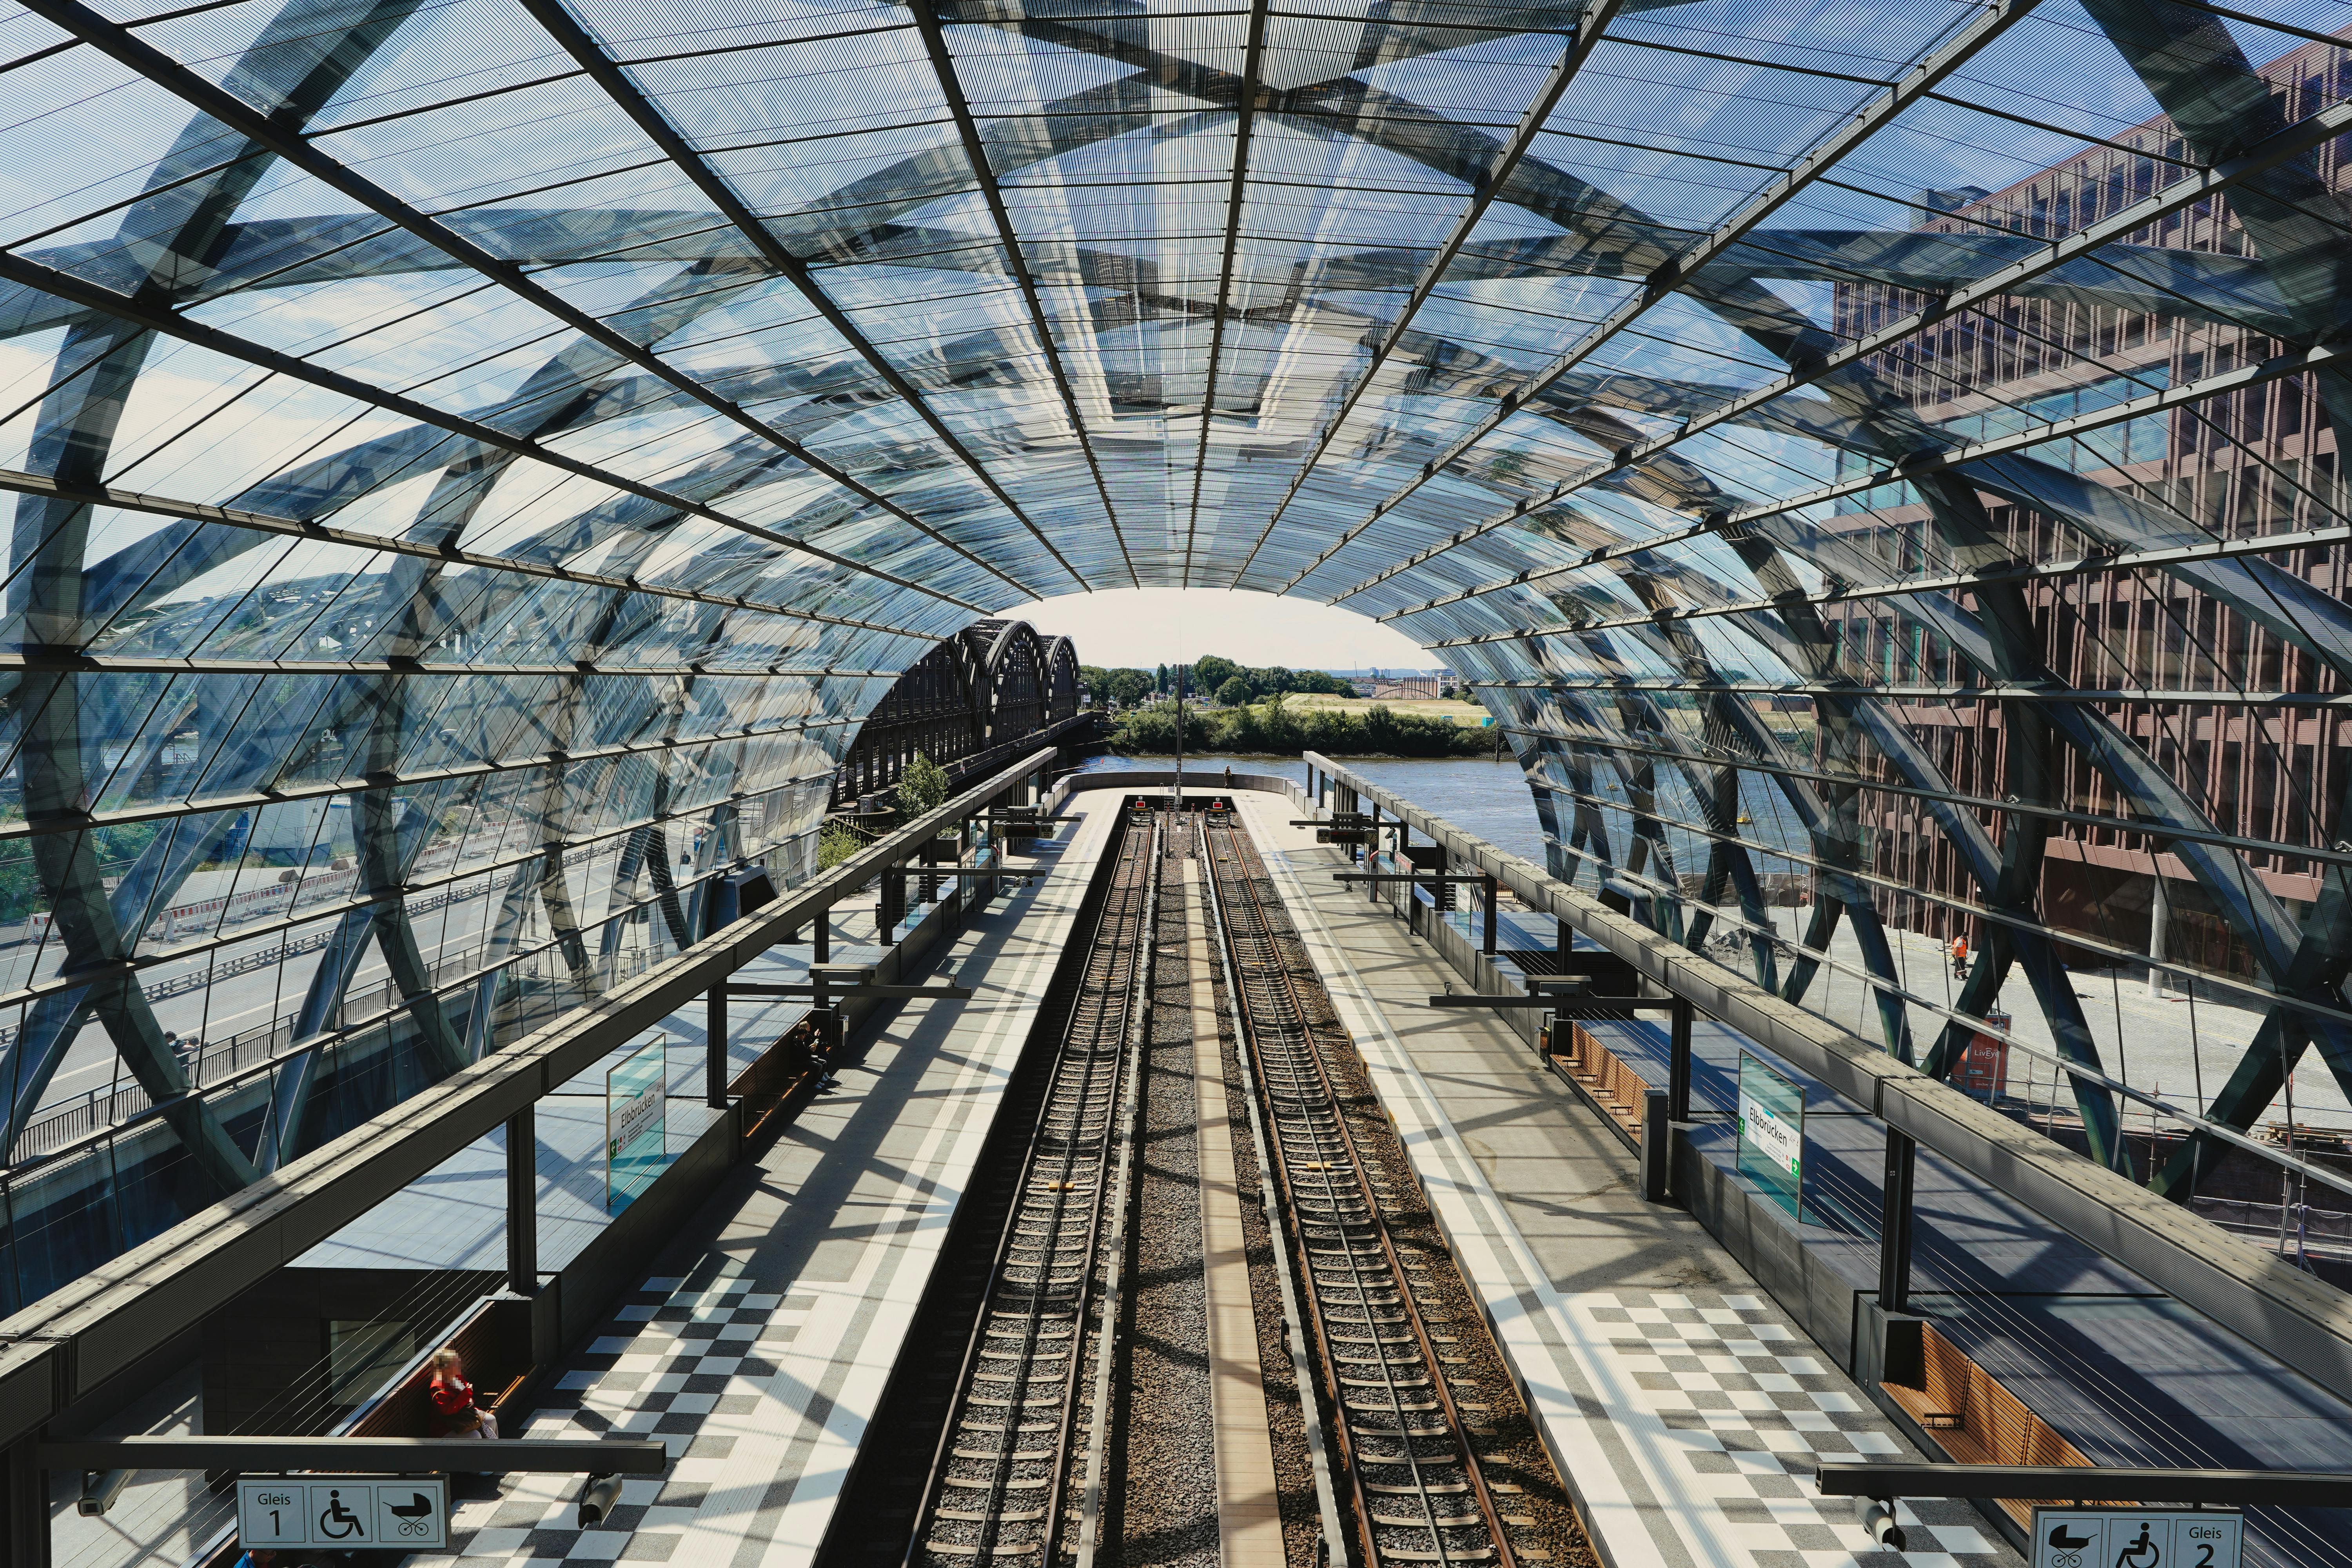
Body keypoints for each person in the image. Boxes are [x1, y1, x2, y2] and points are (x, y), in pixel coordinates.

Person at [426, 1347, 497, 1441]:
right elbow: (447, 1411)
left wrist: (470, 1400)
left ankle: (495, 1448)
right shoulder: (438, 1387)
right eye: (455, 1364)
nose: (459, 1366)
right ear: (445, 1368)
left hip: (464, 1416)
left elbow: (466, 1394)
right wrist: (467, 1394)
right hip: (448, 1426)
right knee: (475, 1435)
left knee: (491, 1420)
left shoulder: (454, 1378)